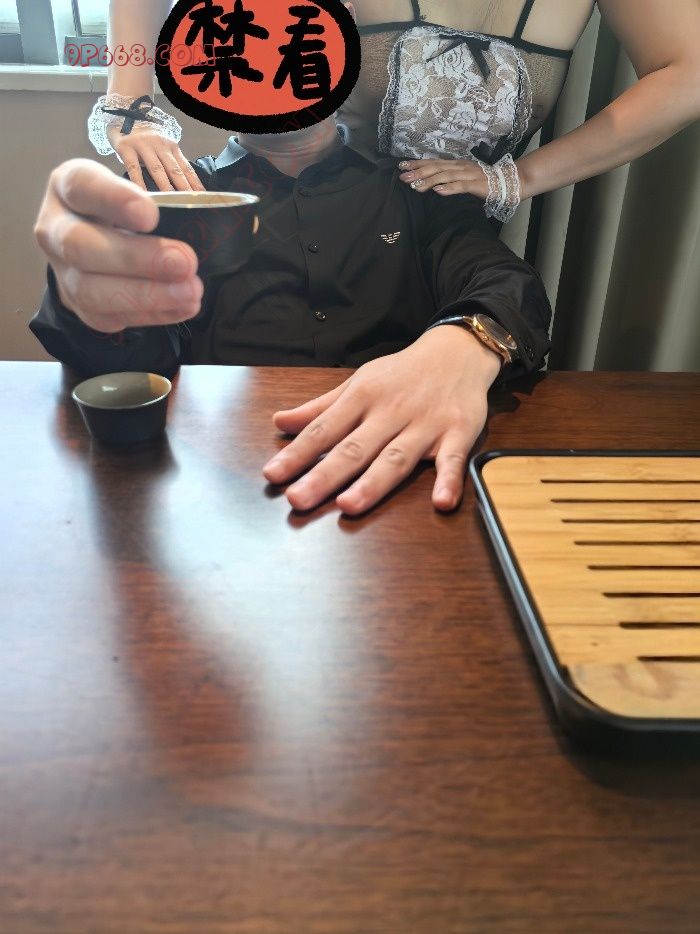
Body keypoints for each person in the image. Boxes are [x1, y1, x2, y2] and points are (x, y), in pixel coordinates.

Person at [31, 116, 551, 516]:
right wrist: (81, 297)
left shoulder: (413, 185)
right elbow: (125, 358)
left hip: (408, 466)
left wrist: (465, 341)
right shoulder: (178, 196)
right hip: (217, 478)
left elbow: (505, 281)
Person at [92, 0, 700, 223]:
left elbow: (689, 73)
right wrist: (129, 100)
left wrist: (519, 177)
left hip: (455, 247)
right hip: (306, 223)